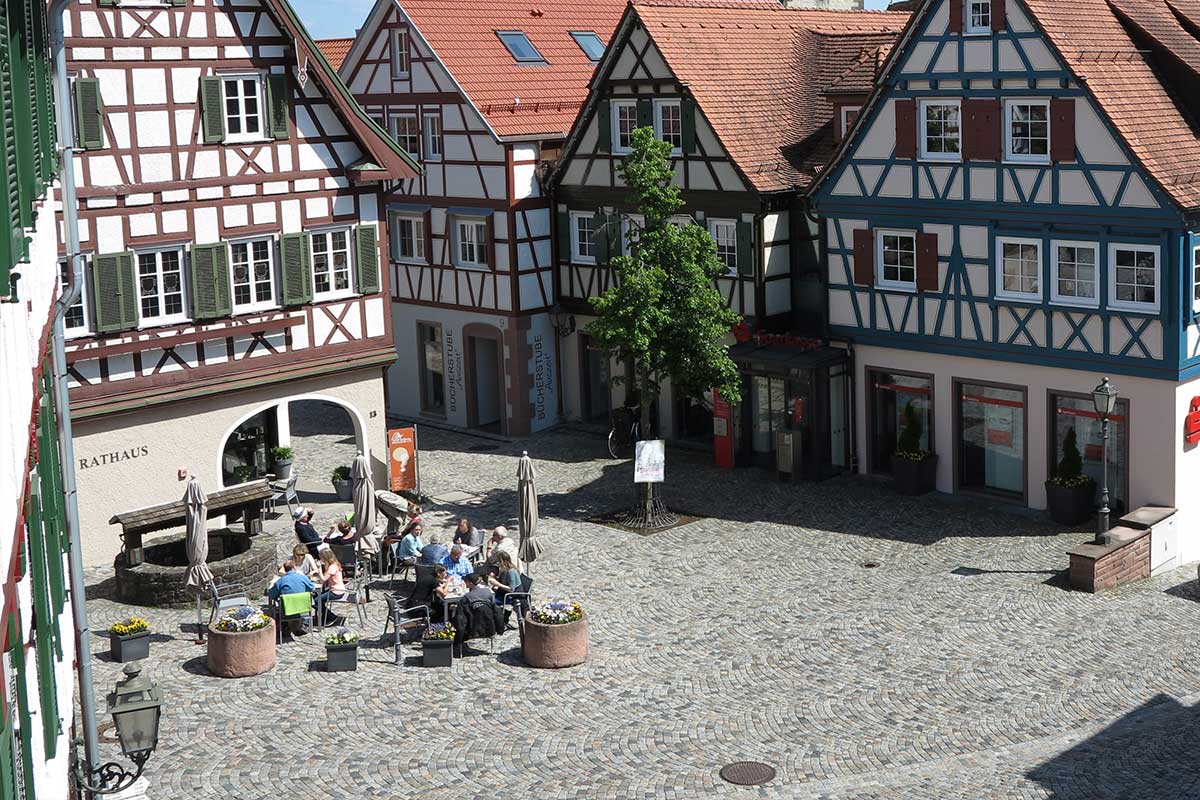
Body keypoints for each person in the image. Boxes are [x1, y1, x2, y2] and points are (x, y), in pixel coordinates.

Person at [268, 561, 315, 634]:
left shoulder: (281, 581)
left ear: (285, 569)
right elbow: (312, 588)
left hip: (287, 610)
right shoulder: (302, 577)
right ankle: (305, 625)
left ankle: (284, 626)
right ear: (294, 567)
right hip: (303, 608)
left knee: (279, 601)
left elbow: (272, 594)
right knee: (307, 597)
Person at [315, 544, 347, 626]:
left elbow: (323, 579)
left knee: (316, 601)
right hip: (336, 589)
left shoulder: (332, 567)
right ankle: (324, 617)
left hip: (336, 591)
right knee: (315, 596)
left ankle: (332, 617)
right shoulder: (334, 564)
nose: (321, 559)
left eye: (321, 558)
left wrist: (319, 568)